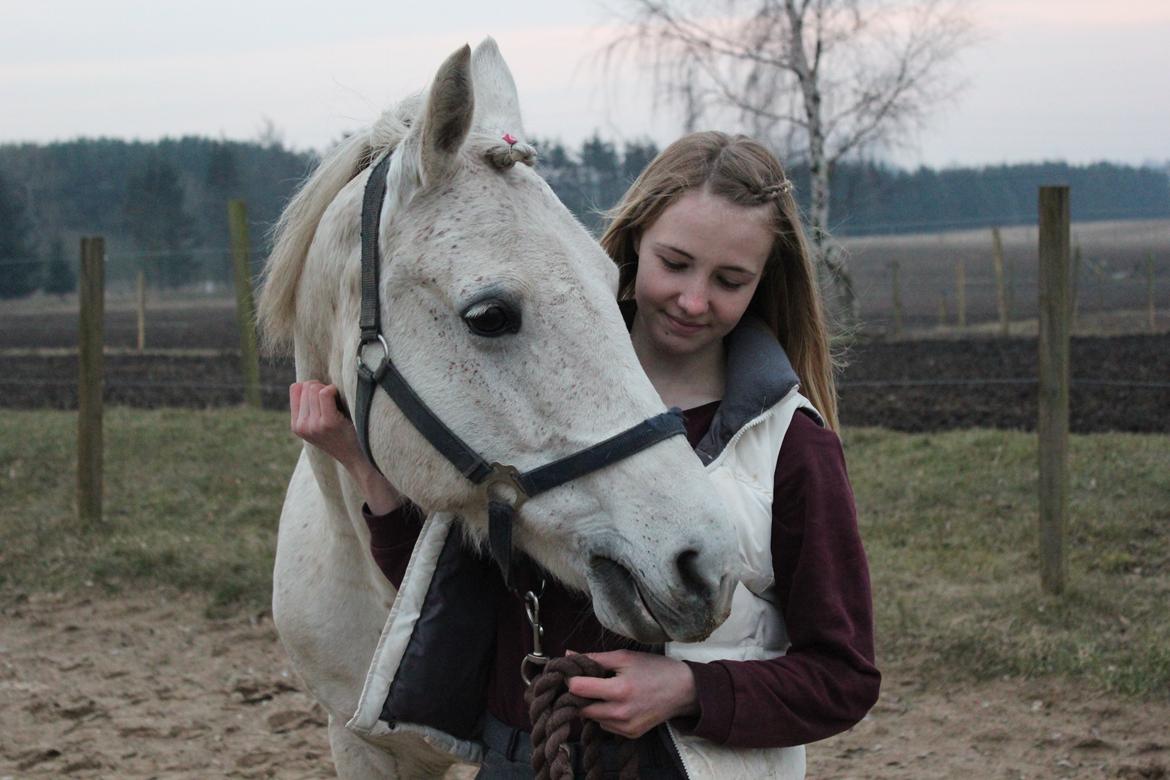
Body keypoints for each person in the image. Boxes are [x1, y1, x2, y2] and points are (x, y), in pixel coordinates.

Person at [290, 131, 879, 778]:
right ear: (634, 243)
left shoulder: (791, 443)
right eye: (675, 263)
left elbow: (843, 676)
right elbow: (458, 601)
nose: (693, 299)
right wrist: (363, 467)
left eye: (730, 280)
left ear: (764, 281)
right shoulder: (543, 404)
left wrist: (688, 693)